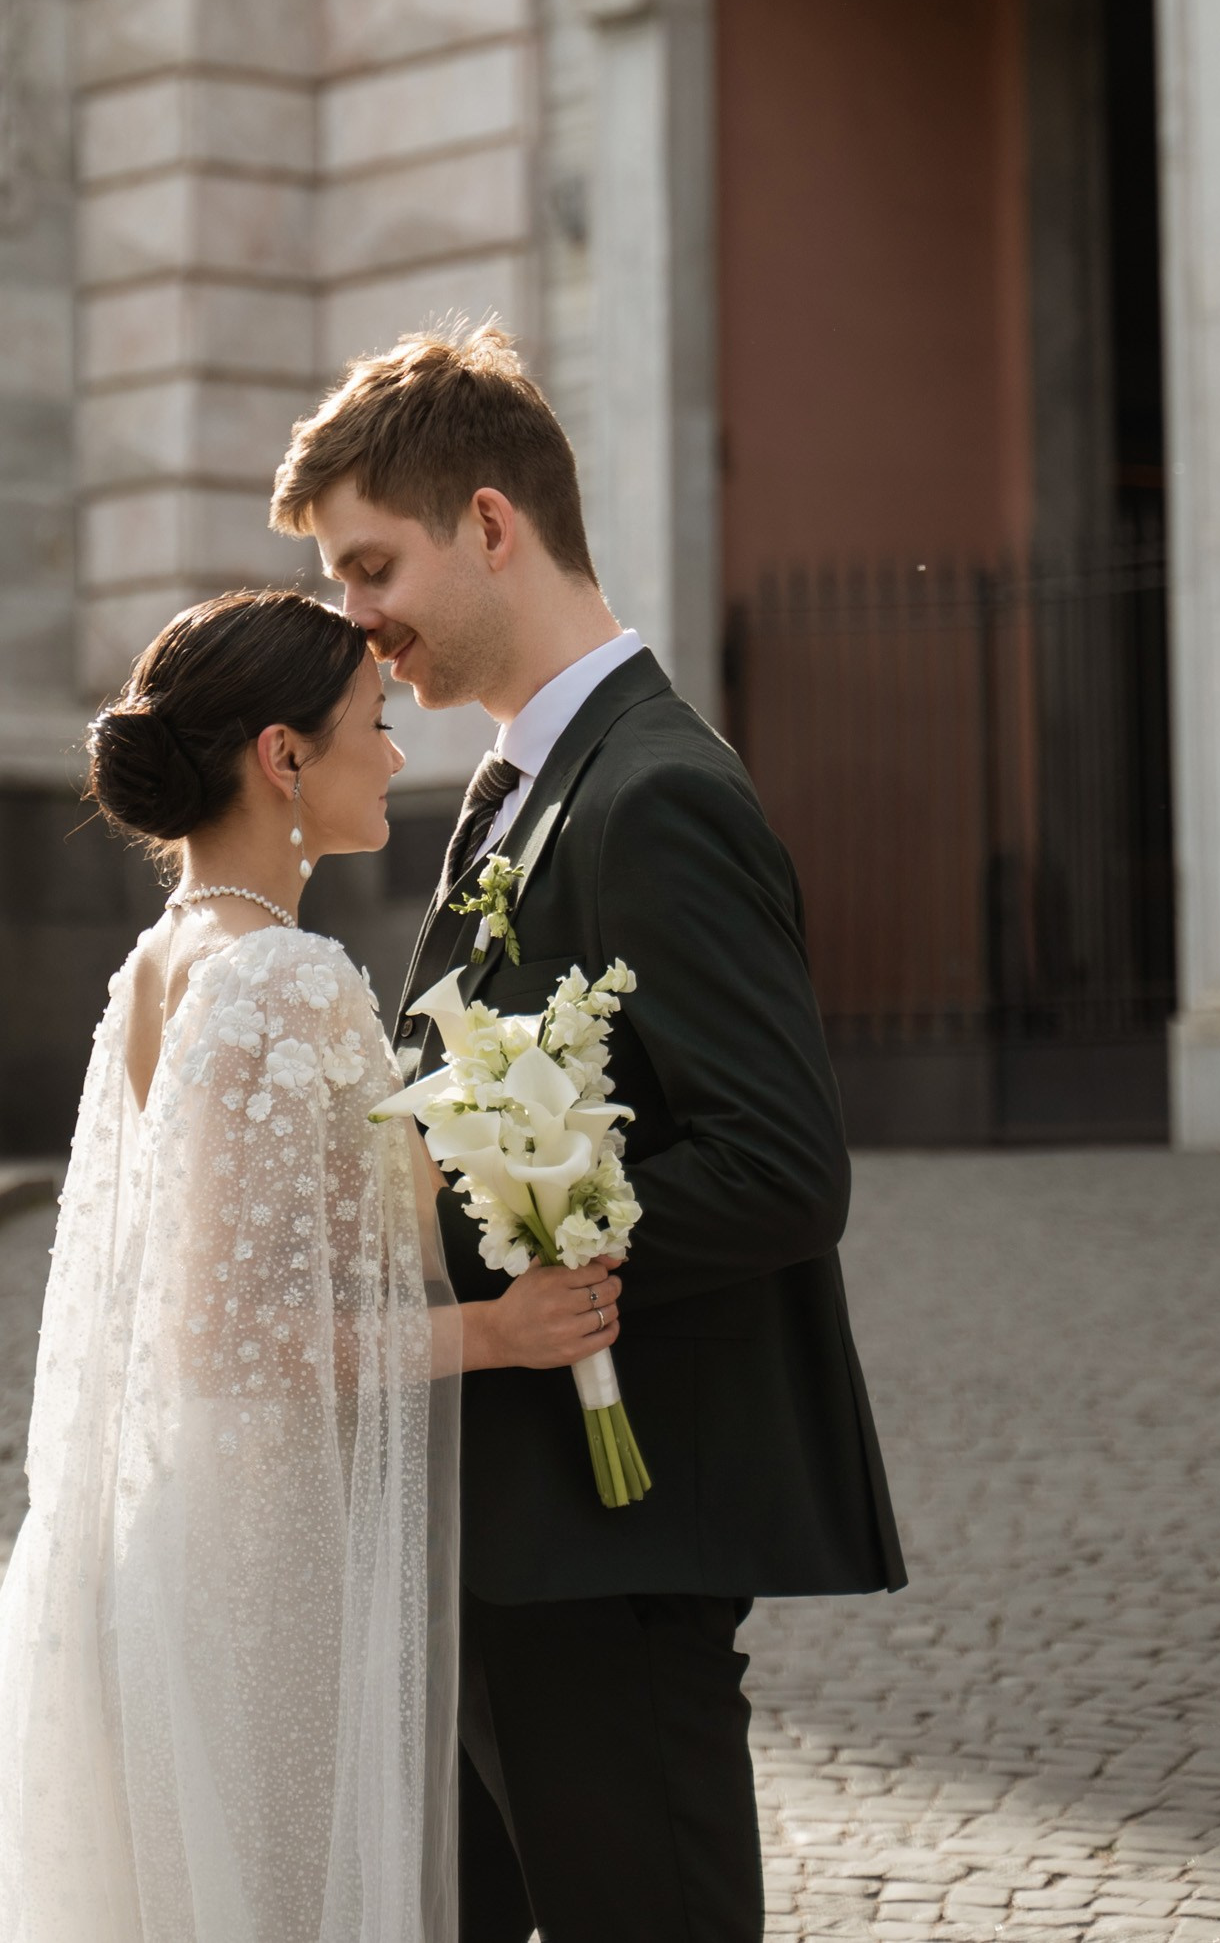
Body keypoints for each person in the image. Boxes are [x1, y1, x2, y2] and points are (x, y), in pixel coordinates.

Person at [272, 325, 906, 1943]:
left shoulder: (656, 791)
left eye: (372, 565)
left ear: (491, 525)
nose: (358, 620)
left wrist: (507, 1249)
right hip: (513, 1535)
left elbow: (780, 1165)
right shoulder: (518, 784)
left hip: (619, 1533)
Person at [0, 587, 611, 1943]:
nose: (394, 755)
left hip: (175, 1532)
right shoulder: (283, 979)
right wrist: (499, 1333)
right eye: (371, 727)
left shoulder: (161, 961)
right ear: (284, 757)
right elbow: (230, 1337)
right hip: (264, 1571)